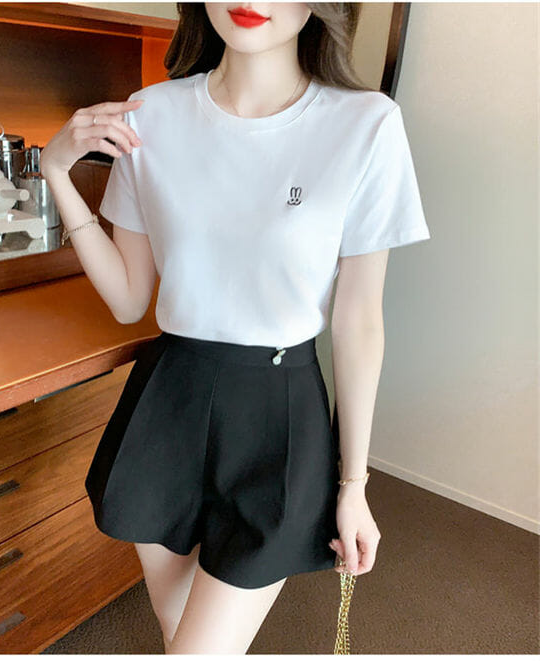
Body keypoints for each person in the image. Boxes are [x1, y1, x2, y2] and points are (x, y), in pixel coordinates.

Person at [40, 2, 431, 654]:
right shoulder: (150, 114)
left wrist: (353, 484)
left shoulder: (365, 125)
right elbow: (129, 299)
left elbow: (359, 321)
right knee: (181, 639)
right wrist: (57, 173)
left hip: (277, 410)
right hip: (168, 400)